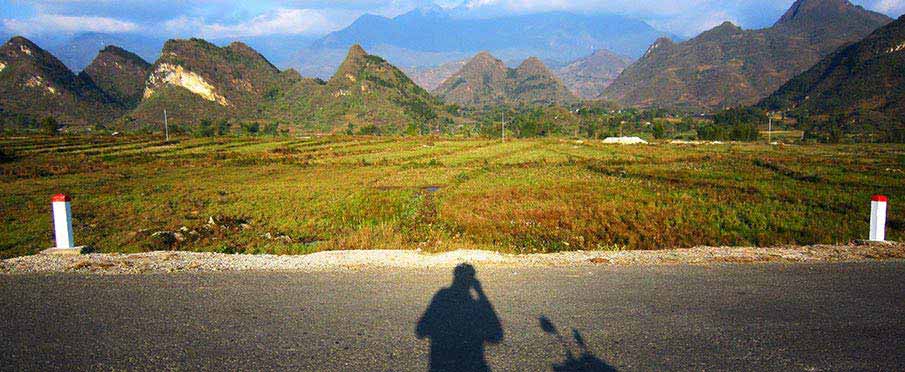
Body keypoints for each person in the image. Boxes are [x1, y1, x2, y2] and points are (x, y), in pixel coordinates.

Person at [416, 264, 503, 372]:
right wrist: (482, 295)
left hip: (441, 365)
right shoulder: (476, 308)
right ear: (472, 283)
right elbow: (497, 335)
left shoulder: (441, 299)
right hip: (471, 366)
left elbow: (420, 330)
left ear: (454, 278)